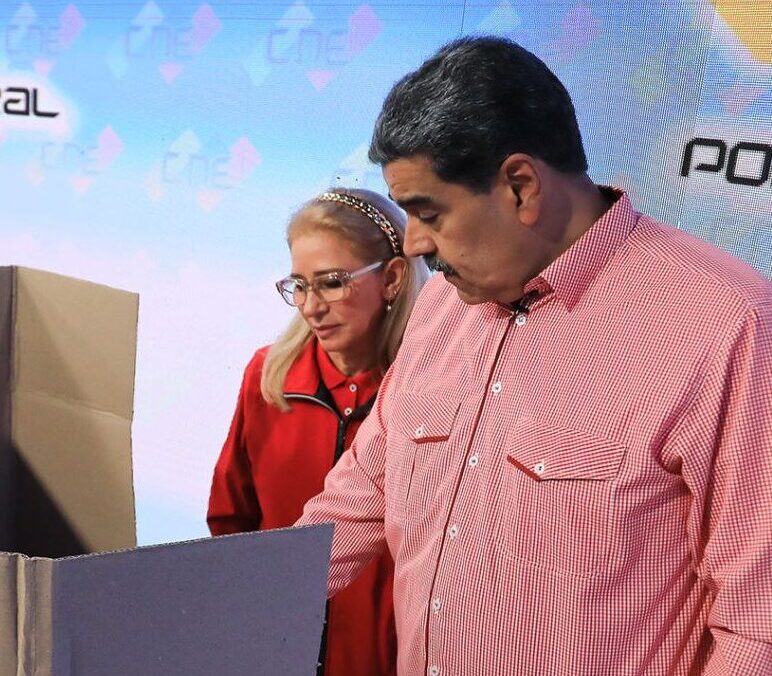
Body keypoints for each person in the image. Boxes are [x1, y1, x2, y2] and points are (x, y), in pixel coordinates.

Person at [296, 36, 772, 675]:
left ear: (520, 186)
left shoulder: (726, 324)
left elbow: (757, 623)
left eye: (427, 213)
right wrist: (224, 606)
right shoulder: (442, 308)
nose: (413, 245)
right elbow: (360, 495)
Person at [208, 187, 428, 676]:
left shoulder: (428, 394)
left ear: (392, 278)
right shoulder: (268, 378)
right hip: (276, 652)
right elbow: (230, 521)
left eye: (331, 283)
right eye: (299, 286)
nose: (310, 307)